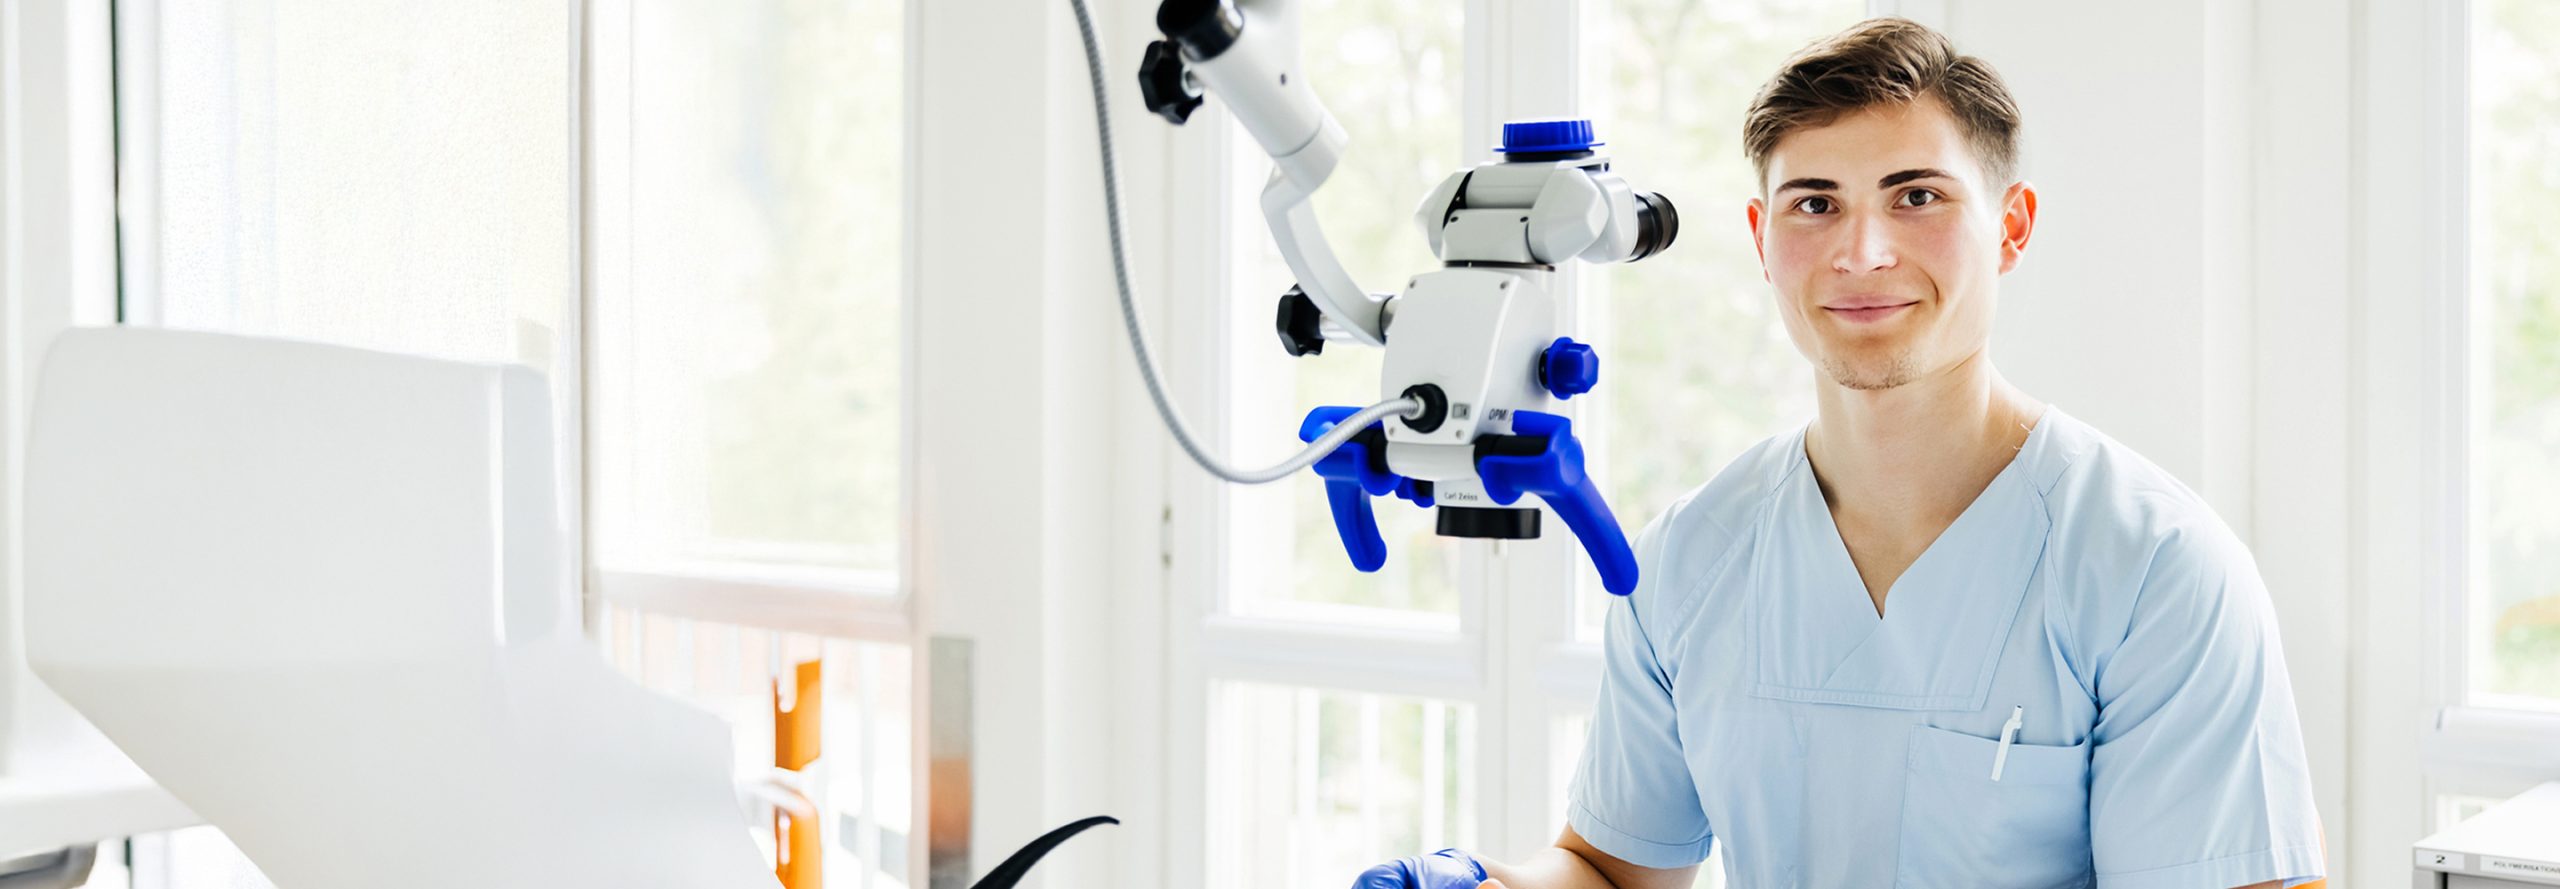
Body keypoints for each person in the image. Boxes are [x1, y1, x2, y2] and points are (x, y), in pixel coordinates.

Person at [1356, 17, 2324, 889]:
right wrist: (1495, 886)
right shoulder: (1694, 553)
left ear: (2012, 227)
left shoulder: (2151, 566)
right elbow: (1615, 868)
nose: (1860, 251)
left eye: (1916, 196)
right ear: (1761, 238)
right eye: (1813, 204)